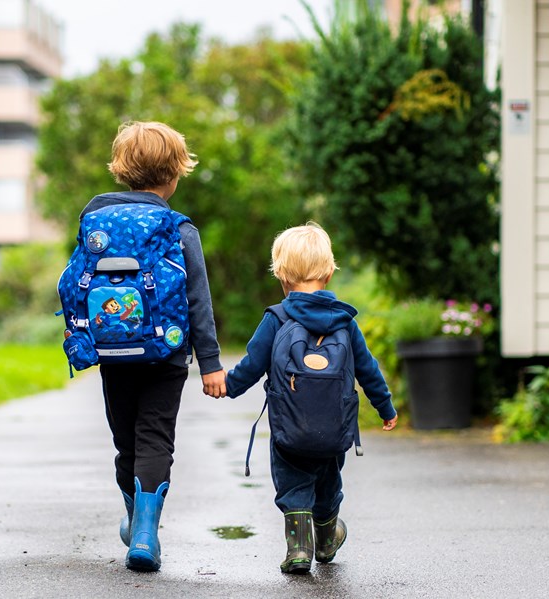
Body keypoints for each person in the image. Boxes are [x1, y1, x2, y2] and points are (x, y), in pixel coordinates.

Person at [81, 121, 226, 572]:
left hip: (113, 352)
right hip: (166, 354)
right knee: (155, 437)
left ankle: (134, 519)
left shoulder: (94, 219)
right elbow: (197, 300)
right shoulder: (178, 229)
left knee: (125, 441)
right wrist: (211, 365)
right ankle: (145, 534)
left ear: (122, 170)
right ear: (175, 174)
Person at [212, 222, 398, 574]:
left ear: (281, 274)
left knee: (294, 485)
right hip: (334, 432)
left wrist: (227, 386)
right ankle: (327, 539)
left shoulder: (277, 318)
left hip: (289, 432)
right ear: (328, 273)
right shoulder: (346, 323)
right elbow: (368, 370)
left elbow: (252, 364)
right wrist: (385, 406)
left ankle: (299, 550)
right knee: (328, 486)